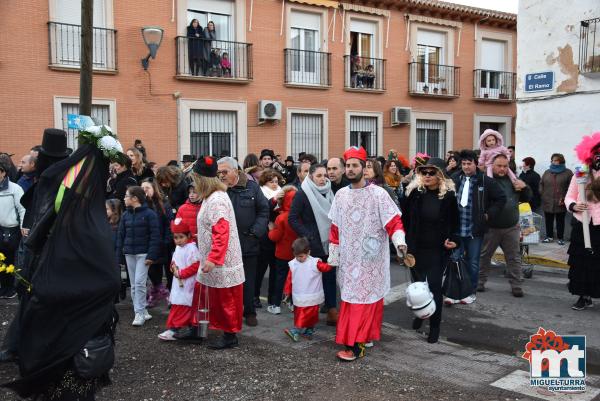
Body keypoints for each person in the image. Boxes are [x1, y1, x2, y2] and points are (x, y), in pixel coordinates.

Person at [4, 127, 121, 400]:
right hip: (67, 333)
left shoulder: (84, 225)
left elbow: (106, 280)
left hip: (72, 337)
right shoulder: (86, 222)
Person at [328, 146, 407, 361]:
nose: (352, 169)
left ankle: (355, 346)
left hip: (371, 259)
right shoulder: (341, 195)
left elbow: (394, 222)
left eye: (356, 165)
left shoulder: (378, 194)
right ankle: (362, 337)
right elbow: (335, 228)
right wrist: (334, 256)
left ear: (364, 168)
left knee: (365, 302)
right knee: (352, 302)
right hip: (348, 260)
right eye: (349, 166)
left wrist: (399, 242)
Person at [401, 161, 459, 343]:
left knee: (434, 288)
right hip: (416, 249)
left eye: (431, 173)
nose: (426, 175)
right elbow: (404, 220)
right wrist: (402, 244)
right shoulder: (414, 194)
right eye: (423, 172)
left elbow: (455, 223)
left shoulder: (448, 197)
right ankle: (421, 313)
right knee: (418, 288)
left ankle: (435, 327)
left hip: (436, 250)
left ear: (440, 175)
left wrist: (454, 239)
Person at [192, 156, 245, 349]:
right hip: (215, 260)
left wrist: (213, 258)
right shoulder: (213, 196)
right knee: (215, 298)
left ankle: (230, 336)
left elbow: (221, 231)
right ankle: (199, 328)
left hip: (222, 262)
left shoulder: (216, 200)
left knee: (226, 301)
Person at [217, 156, 269, 327]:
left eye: (225, 172)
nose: (222, 176)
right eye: (219, 173)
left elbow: (263, 210)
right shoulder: (218, 190)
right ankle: (230, 313)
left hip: (248, 242)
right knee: (228, 281)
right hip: (226, 245)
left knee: (248, 281)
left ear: (235, 171)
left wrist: (255, 232)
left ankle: (250, 312)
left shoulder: (251, 187)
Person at [451, 149, 506, 304]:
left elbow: (501, 198)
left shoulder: (484, 181)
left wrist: (488, 214)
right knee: (455, 260)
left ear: (476, 164)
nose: (466, 167)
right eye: (464, 164)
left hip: (475, 229)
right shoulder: (455, 179)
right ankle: (454, 291)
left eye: (469, 163)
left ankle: (470, 292)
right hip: (456, 228)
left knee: (473, 262)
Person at [289, 163, 337, 325]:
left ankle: (331, 310)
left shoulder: (330, 191)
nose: (323, 179)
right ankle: (309, 314)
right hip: (313, 244)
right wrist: (308, 236)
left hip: (329, 242)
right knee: (312, 280)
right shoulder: (303, 194)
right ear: (311, 176)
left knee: (330, 276)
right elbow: (293, 218)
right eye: (319, 176)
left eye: (325, 175)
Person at [478, 155, 532, 297]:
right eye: (499, 166)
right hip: (491, 227)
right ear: (492, 165)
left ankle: (517, 285)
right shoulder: (485, 180)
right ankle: (479, 282)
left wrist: (525, 187)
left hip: (511, 227)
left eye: (505, 166)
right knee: (484, 256)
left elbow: (528, 198)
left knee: (514, 257)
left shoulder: (514, 181)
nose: (502, 169)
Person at [116, 185, 161, 326]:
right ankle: (143, 311)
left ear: (134, 198)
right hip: (129, 253)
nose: (124, 198)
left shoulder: (150, 215)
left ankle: (139, 313)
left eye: (126, 196)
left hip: (143, 254)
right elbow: (120, 236)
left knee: (139, 283)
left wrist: (151, 255)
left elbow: (155, 236)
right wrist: (119, 256)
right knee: (135, 285)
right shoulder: (125, 215)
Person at [565, 132, 600, 310]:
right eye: (595, 153)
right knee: (581, 263)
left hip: (599, 227)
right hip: (582, 225)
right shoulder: (581, 171)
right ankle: (582, 296)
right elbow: (569, 196)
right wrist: (574, 206)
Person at [282, 237, 333, 342]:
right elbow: (289, 278)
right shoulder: (293, 263)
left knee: (311, 314)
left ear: (308, 252)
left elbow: (326, 268)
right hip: (301, 295)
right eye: (296, 256)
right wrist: (287, 292)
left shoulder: (314, 263)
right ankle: (305, 330)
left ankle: (299, 330)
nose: (299, 259)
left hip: (311, 294)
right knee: (301, 313)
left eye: (301, 256)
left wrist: (333, 260)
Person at [158, 219, 201, 341]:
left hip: (188, 283)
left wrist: (182, 273)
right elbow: (174, 261)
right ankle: (188, 330)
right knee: (179, 306)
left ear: (188, 235)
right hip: (179, 283)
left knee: (182, 307)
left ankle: (173, 330)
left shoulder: (192, 249)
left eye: (181, 237)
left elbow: (196, 265)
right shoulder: (178, 248)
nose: (178, 240)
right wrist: (173, 267)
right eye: (175, 238)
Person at [141, 178, 174, 306]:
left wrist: (166, 240)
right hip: (149, 244)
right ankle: (157, 291)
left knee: (168, 271)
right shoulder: (141, 204)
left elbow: (168, 223)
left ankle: (169, 293)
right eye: (142, 188)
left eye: (147, 188)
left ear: (154, 189)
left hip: (163, 242)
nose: (144, 191)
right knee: (153, 271)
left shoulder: (163, 204)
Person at [268, 186, 298, 314]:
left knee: (279, 279)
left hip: (282, 254)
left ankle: (275, 305)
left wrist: (270, 230)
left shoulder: (281, 218)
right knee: (295, 280)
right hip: (296, 254)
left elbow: (275, 237)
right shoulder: (299, 216)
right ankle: (292, 303)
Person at [0, 159, 26, 299]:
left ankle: (9, 289)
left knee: (8, 260)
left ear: (3, 172)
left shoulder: (15, 189)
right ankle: (3, 287)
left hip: (10, 230)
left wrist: (23, 225)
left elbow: (22, 209)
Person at [540, 153, 573, 245]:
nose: (553, 162)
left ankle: (560, 238)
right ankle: (549, 237)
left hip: (561, 201)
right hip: (548, 200)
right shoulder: (547, 172)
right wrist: (542, 193)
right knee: (548, 220)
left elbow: (572, 187)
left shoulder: (568, 172)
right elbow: (541, 183)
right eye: (552, 160)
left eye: (555, 160)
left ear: (561, 161)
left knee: (560, 220)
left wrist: (566, 197)